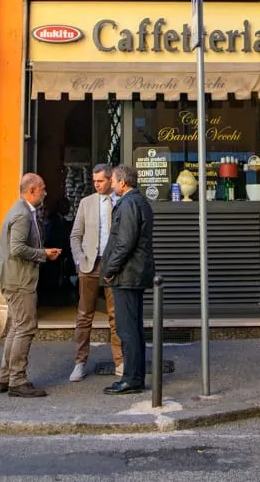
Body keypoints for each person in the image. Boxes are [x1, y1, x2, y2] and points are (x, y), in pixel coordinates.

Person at [0, 173, 61, 398]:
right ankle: (17, 380)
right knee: (25, 327)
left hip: (13, 277)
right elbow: (18, 248)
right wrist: (43, 254)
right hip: (19, 280)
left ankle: (5, 377)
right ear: (32, 190)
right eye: (42, 188)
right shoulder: (22, 215)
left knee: (16, 327)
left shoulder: (20, 210)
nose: (45, 192)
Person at [101, 164, 154, 395]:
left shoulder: (129, 203)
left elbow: (125, 242)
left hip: (127, 275)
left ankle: (132, 379)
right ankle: (135, 376)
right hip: (133, 273)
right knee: (133, 327)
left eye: (112, 180)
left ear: (123, 182)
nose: (111, 184)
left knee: (127, 329)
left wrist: (110, 269)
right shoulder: (138, 201)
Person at [68, 163, 123, 381]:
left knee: (115, 316)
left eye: (100, 181)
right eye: (94, 181)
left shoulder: (120, 201)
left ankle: (120, 361)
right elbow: (75, 236)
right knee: (84, 316)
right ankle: (80, 362)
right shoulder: (86, 203)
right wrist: (80, 260)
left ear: (111, 179)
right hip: (89, 264)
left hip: (112, 265)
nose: (97, 185)